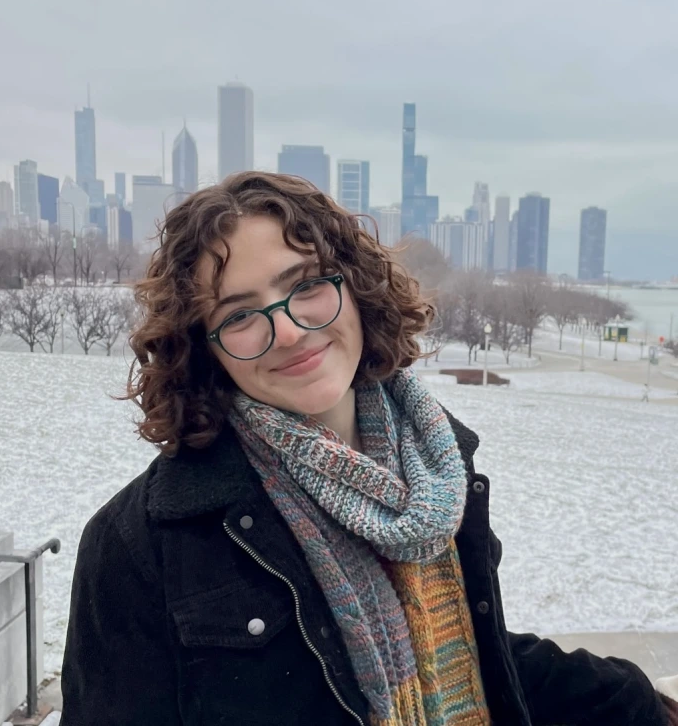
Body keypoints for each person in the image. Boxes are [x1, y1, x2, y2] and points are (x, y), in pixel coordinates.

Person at [61, 171, 675, 725]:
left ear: (353, 286)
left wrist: (639, 702)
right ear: (204, 345)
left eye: (305, 285)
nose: (291, 331)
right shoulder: (139, 545)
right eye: (240, 316)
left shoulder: (435, 468)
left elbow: (475, 653)